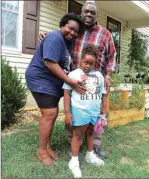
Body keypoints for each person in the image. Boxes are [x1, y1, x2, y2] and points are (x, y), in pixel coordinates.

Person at [38, 1, 116, 158]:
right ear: (82, 13)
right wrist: (47, 35)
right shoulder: (76, 31)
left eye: (92, 12)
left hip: (95, 80)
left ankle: (94, 146)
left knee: (94, 111)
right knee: (75, 109)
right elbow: (62, 35)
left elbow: (112, 56)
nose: (88, 14)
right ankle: (74, 141)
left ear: (96, 15)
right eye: (85, 11)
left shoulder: (105, 33)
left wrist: (107, 75)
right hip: (75, 79)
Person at [25, 13, 85, 165]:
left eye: (75, 31)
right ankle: (42, 151)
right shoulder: (55, 37)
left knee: (52, 113)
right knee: (50, 113)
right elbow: (50, 63)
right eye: (70, 28)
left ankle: (47, 147)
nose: (72, 33)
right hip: (40, 78)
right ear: (62, 25)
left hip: (51, 81)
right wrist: (70, 82)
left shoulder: (66, 42)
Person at [63, 45, 107, 178]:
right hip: (79, 111)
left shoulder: (99, 75)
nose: (88, 66)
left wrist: (104, 111)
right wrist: (67, 113)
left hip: (94, 112)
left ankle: (90, 155)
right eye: (85, 62)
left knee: (90, 133)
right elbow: (66, 94)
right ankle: (74, 162)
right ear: (80, 60)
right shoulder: (73, 74)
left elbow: (103, 94)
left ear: (95, 63)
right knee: (77, 136)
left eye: (91, 63)